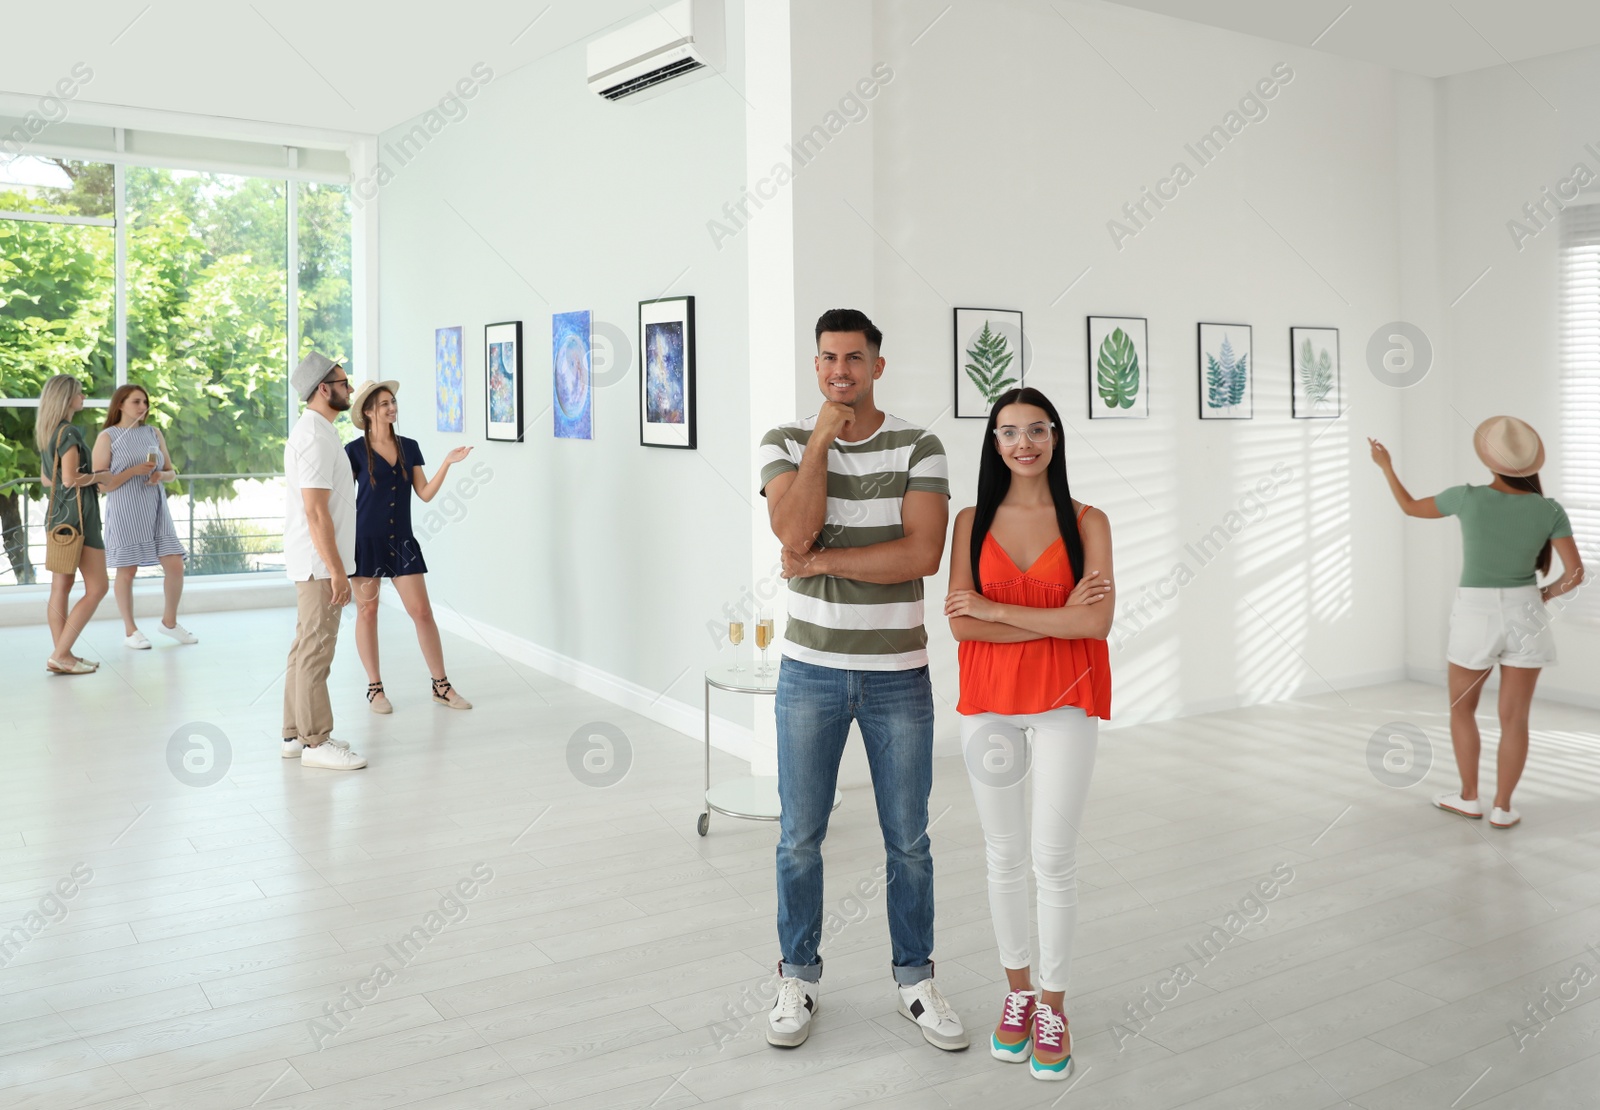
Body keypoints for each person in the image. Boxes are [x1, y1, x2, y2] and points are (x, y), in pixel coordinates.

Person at [758, 308, 966, 1052]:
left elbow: (919, 556)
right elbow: (793, 533)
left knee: (908, 840)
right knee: (798, 838)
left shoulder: (921, 445)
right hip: (809, 673)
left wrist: (820, 566)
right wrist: (820, 439)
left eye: (852, 357)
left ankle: (916, 980)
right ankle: (799, 977)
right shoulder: (784, 441)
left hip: (897, 679)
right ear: (815, 366)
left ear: (878, 364)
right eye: (826, 358)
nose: (838, 370)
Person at [944, 387, 1114, 1082]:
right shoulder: (968, 521)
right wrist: (1046, 616)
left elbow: (1095, 627)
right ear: (993, 441)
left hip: (1066, 702)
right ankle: (1016, 996)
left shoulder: (1089, 521)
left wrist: (996, 608)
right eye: (1010, 431)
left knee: (1054, 858)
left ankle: (1053, 1004)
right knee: (1003, 854)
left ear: (1055, 437)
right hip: (988, 702)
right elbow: (959, 624)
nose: (1025, 443)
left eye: (1037, 430)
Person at [1370, 416, 1583, 828]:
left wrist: (1386, 466)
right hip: (1527, 613)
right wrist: (1543, 594)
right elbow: (1575, 574)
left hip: (1475, 614)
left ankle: (1469, 797)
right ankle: (1503, 807)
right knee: (1515, 719)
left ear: (1491, 461)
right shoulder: (1549, 509)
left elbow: (1410, 507)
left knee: (1461, 709)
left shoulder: (1465, 497)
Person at [345, 379, 474, 712]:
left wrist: (446, 462)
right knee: (367, 611)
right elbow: (343, 499)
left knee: (422, 612)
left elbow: (425, 493)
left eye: (393, 402)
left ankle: (441, 685)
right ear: (369, 411)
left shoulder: (409, 446)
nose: (392, 408)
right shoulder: (354, 451)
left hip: (402, 541)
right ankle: (375, 688)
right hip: (365, 541)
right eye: (385, 404)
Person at [281, 352, 366, 770]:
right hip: (318, 563)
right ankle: (317, 743)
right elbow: (316, 511)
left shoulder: (320, 430)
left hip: (313, 560)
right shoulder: (315, 436)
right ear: (323, 389)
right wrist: (337, 572)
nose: (350, 388)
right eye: (344, 381)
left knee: (303, 647)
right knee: (316, 650)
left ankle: (295, 735)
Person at [93, 384, 195, 649]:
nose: (143, 407)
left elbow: (172, 471)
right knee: (127, 571)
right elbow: (101, 485)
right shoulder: (108, 437)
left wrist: (161, 475)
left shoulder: (153, 433)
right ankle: (130, 631)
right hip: (126, 509)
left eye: (145, 402)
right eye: (136, 402)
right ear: (120, 405)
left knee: (175, 564)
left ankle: (169, 623)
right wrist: (134, 471)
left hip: (156, 507)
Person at [37, 374, 107, 675]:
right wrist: (99, 477)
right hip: (81, 518)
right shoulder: (69, 433)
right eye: (80, 394)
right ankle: (62, 654)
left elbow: (47, 480)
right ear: (67, 398)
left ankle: (62, 656)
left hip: (57, 518)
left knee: (61, 587)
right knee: (98, 587)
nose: (83, 398)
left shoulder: (48, 431)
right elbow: (69, 479)